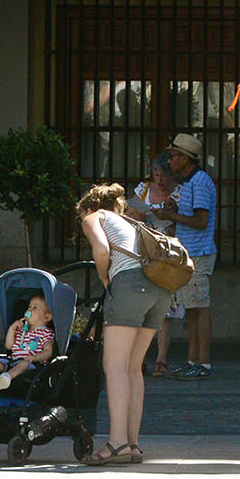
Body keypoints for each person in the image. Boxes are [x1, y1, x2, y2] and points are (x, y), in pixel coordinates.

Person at [78, 181, 171, 464]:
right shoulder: (130, 222)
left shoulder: (94, 217)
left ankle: (116, 444)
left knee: (114, 366)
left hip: (130, 286)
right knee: (133, 368)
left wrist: (106, 279)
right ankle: (132, 444)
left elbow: (102, 251)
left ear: (90, 208)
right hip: (160, 289)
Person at [158, 133, 216, 380]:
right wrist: (173, 210)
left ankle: (203, 363)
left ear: (185, 158)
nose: (169, 161)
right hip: (189, 253)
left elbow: (201, 221)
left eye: (173, 156)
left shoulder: (200, 182)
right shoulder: (188, 181)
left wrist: (171, 217)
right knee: (191, 309)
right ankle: (193, 360)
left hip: (198, 253)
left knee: (199, 309)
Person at [127, 155, 183, 377]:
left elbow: (187, 220)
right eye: (156, 175)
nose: (159, 180)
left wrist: (171, 213)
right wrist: (138, 214)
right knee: (142, 306)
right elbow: (129, 213)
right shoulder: (143, 189)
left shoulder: (179, 192)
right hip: (144, 250)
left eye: (164, 175)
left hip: (168, 252)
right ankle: (140, 358)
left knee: (166, 308)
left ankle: (161, 360)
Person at [0, 292, 55, 395]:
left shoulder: (46, 333)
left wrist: (34, 358)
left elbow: (48, 351)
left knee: (23, 364)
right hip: (13, 361)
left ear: (46, 317)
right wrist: (12, 328)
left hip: (32, 364)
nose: (29, 310)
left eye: (35, 308)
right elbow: (9, 346)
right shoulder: (21, 331)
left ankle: (6, 378)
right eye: (29, 306)